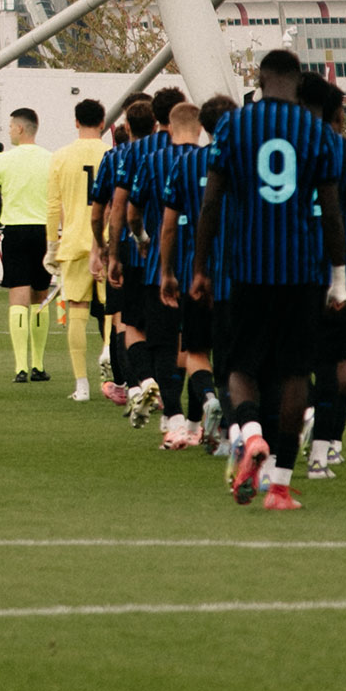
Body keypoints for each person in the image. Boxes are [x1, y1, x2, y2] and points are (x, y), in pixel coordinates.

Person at [190, 49, 346, 511]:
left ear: (259, 80)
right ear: (298, 82)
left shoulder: (232, 128)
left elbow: (211, 202)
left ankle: (252, 433)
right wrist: (338, 277)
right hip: (302, 272)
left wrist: (200, 267)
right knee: (295, 374)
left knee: (241, 368)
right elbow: (332, 212)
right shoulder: (317, 132)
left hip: (246, 269)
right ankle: (278, 485)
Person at [297, 73, 346, 480]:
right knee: (337, 365)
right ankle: (325, 450)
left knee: (289, 362)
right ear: (339, 115)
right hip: (339, 273)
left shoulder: (285, 149)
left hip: (288, 271)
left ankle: (304, 413)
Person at [158, 94, 238, 454]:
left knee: (194, 351)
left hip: (196, 274)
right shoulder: (246, 164)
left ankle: (206, 399)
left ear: (204, 128)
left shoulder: (187, 164)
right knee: (233, 360)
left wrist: (166, 272)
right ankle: (226, 435)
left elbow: (169, 226)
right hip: (239, 275)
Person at [128, 98, 205, 449]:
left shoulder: (154, 160)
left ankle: (173, 418)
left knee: (162, 344)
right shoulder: (214, 161)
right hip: (211, 270)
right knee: (198, 347)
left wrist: (143, 240)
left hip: (162, 268)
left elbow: (132, 212)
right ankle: (203, 420)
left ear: (169, 128)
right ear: (200, 128)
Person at [108, 87, 185, 424]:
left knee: (132, 325)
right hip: (187, 258)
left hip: (142, 255)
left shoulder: (134, 153)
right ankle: (182, 409)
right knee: (181, 339)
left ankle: (145, 383)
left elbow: (119, 209)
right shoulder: (197, 153)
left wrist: (114, 249)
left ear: (156, 116)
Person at [0, 108, 52, 383]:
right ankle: (39, 365)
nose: (8, 130)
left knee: (18, 296)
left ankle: (20, 367)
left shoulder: (1, 162)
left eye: (10, 126)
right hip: (44, 232)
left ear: (20, 128)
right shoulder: (51, 160)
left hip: (16, 232)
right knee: (40, 297)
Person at [45, 98, 109, 402]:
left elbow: (53, 206)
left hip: (73, 242)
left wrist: (51, 244)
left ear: (75, 122)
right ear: (103, 122)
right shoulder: (111, 153)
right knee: (113, 310)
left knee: (77, 311)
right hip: (107, 242)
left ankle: (81, 385)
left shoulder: (60, 156)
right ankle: (109, 355)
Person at [90, 94, 150, 410]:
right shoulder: (170, 154)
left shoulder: (116, 157)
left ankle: (130, 385)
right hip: (161, 248)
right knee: (161, 320)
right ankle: (159, 386)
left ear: (126, 124)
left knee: (122, 321)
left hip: (126, 245)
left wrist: (102, 250)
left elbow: (108, 209)